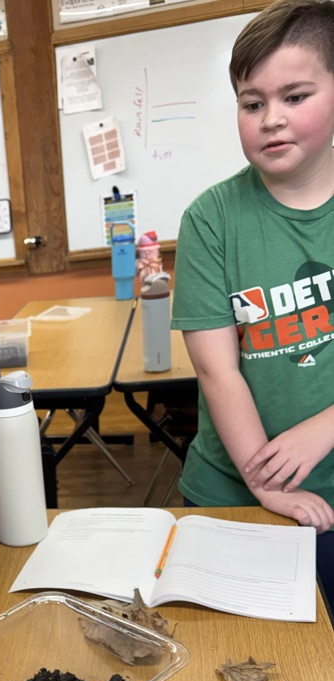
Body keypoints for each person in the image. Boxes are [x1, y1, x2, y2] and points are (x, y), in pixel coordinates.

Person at [172, 0, 334, 607]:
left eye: (295, 96)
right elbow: (218, 371)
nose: (272, 119)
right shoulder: (210, 218)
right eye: (252, 103)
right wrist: (263, 483)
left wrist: (324, 428)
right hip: (233, 495)